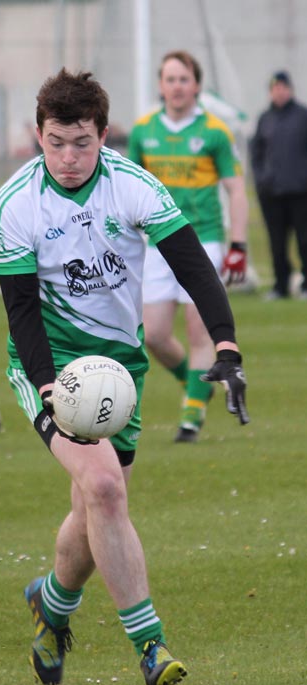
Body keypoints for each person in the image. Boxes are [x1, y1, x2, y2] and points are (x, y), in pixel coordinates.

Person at [0, 68, 249, 685]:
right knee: (104, 487)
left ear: (105, 135)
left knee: (92, 506)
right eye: (57, 142)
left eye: (82, 142)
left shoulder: (132, 185)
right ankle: (150, 647)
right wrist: (50, 386)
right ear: (38, 136)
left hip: (117, 374)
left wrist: (226, 344)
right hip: (48, 365)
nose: (69, 157)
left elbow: (192, 264)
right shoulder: (14, 204)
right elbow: (22, 310)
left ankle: (51, 606)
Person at [128, 50, 248, 443]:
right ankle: (196, 384)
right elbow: (128, 189)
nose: (177, 86)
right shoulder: (144, 131)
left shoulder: (214, 131)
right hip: (158, 244)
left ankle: (191, 418)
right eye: (170, 79)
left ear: (196, 85)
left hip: (205, 240)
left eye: (184, 79)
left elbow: (235, 189)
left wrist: (238, 244)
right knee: (155, 335)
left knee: (199, 332)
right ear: (160, 85)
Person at [250, 70, 307, 300]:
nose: (279, 92)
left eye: (283, 87)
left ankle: (304, 283)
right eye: (275, 88)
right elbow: (256, 153)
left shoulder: (302, 116)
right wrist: (262, 179)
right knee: (276, 242)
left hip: (300, 191)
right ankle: (280, 285)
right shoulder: (265, 118)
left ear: (290, 89)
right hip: (272, 193)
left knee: (304, 239)